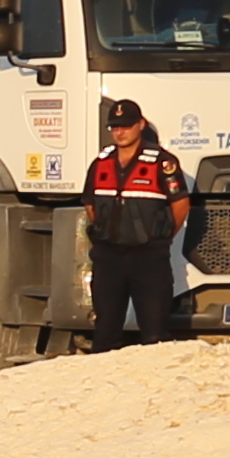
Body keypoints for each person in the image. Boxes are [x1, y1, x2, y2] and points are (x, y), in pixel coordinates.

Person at [81, 100, 188, 347]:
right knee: (105, 331)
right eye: (115, 127)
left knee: (155, 333)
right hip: (109, 256)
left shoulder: (162, 162)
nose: (120, 132)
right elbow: (90, 204)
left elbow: (180, 205)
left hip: (148, 257)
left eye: (126, 126)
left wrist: (161, 237)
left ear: (140, 125)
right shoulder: (101, 163)